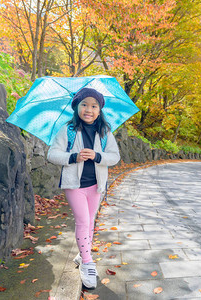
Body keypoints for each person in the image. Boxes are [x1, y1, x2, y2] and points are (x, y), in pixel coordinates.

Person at [47, 88, 120, 289]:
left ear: (100, 110)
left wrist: (97, 155)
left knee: (90, 221)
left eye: (94, 106)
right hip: (74, 185)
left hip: (96, 185)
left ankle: (83, 252)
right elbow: (52, 154)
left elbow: (115, 157)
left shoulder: (104, 132)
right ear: (77, 107)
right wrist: (73, 157)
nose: (89, 109)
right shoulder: (68, 129)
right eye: (84, 105)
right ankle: (87, 263)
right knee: (83, 220)